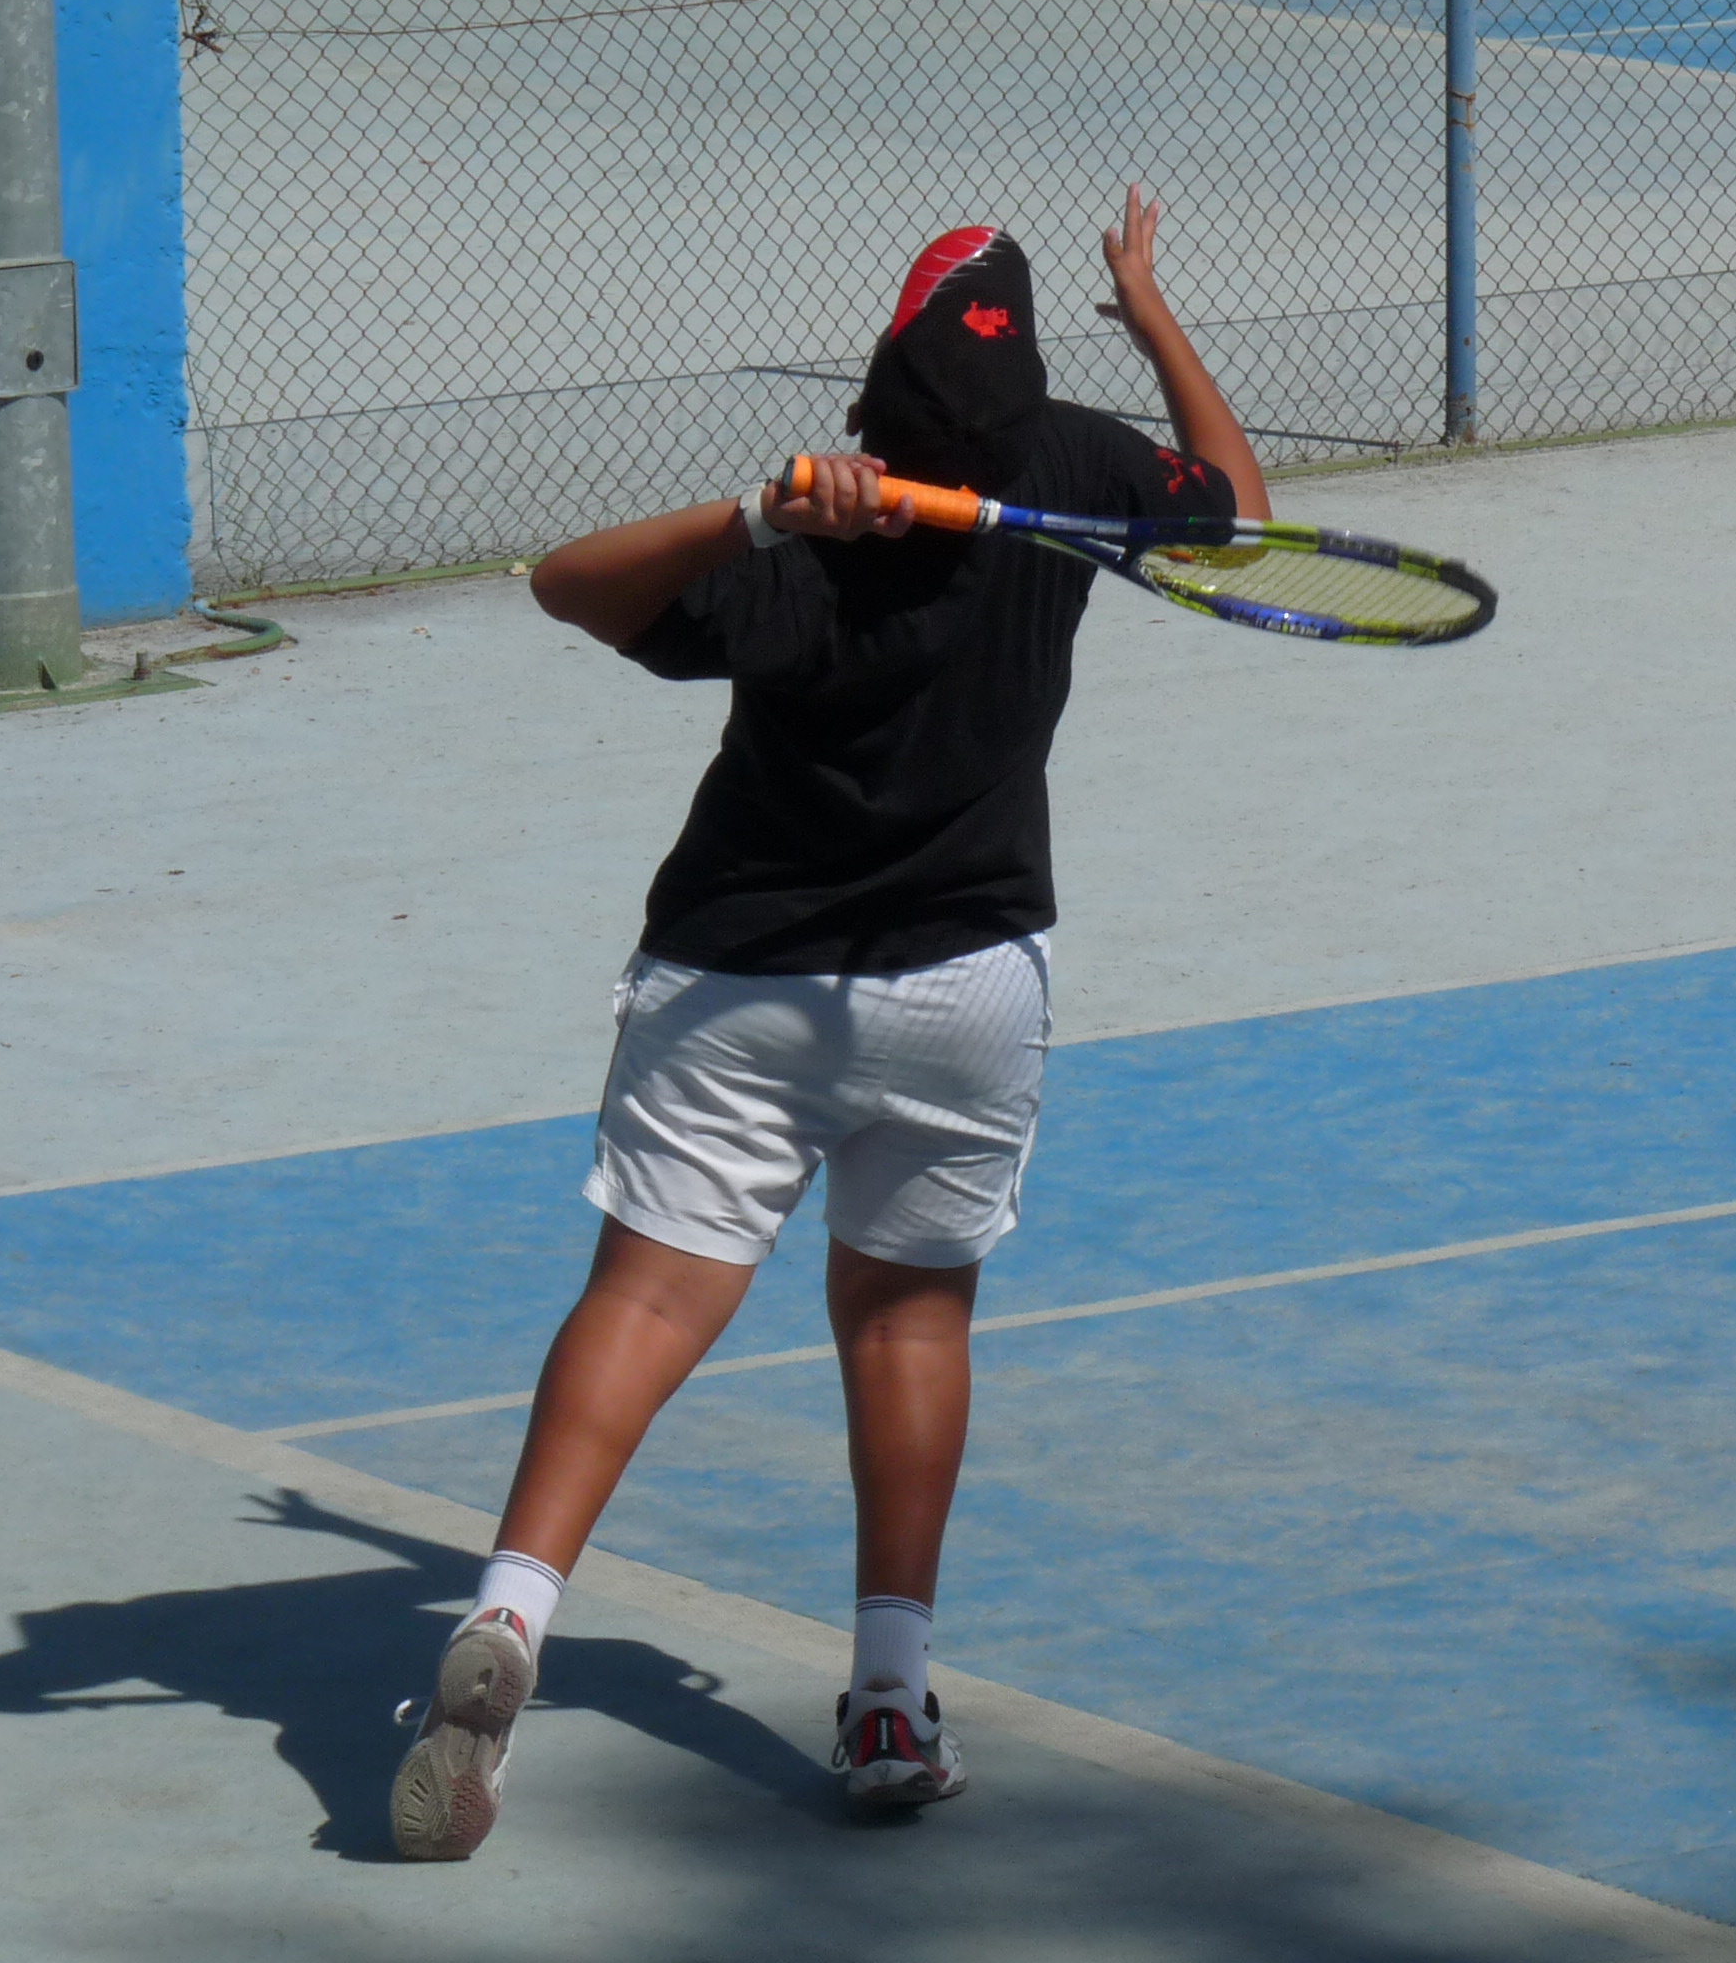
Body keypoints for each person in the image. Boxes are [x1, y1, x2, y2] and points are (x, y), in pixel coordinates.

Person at [392, 191, 1263, 1856]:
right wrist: (1152, 314)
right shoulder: (1075, 467)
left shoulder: (793, 562)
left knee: (648, 1299)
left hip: (739, 982)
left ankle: (508, 1616)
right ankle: (886, 1697)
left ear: (877, 402)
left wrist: (755, 513)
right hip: (968, 990)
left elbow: (566, 586)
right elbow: (1239, 510)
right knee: (910, 1323)